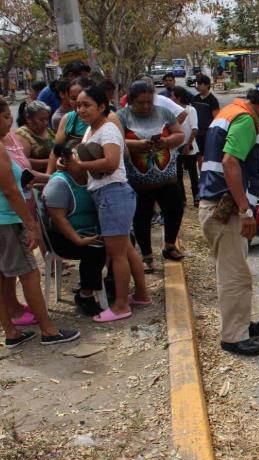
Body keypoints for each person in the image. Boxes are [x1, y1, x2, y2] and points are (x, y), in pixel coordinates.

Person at [198, 81, 259, 356]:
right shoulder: (246, 120)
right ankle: (233, 337)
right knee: (235, 276)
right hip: (224, 210)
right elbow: (230, 162)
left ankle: (237, 325)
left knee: (232, 272)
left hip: (215, 206)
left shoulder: (229, 112)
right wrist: (243, 210)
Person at [69, 84, 149, 322]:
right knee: (125, 248)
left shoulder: (108, 130)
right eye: (78, 105)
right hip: (106, 194)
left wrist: (80, 166)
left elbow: (112, 163)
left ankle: (121, 305)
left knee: (117, 255)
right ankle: (142, 295)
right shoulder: (90, 131)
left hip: (113, 193)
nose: (81, 110)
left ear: (102, 106)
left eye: (87, 105)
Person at [0, 109, 81, 346]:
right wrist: (31, 224)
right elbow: (11, 191)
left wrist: (51, 177)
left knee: (5, 277)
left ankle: (11, 332)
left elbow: (23, 178)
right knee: (30, 274)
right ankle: (48, 330)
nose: (10, 121)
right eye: (5, 116)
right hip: (7, 221)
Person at [117, 80, 186, 271]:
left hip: (168, 177)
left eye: (149, 102)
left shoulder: (164, 113)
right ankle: (146, 256)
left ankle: (170, 246)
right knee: (142, 217)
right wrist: (136, 145)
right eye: (140, 103)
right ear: (131, 101)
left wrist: (166, 141)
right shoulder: (121, 116)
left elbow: (180, 134)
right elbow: (114, 140)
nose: (146, 106)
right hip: (138, 181)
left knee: (175, 209)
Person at [42, 141, 107, 316]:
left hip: (88, 231)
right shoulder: (59, 184)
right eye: (79, 157)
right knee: (95, 250)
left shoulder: (90, 177)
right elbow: (58, 218)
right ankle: (85, 295)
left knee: (123, 242)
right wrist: (78, 240)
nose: (84, 161)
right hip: (62, 238)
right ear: (66, 161)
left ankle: (109, 284)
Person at [171, 86, 199, 207]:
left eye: (173, 96)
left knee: (193, 174)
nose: (171, 98)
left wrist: (188, 144)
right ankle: (182, 199)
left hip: (189, 146)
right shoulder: (172, 111)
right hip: (177, 147)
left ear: (179, 98)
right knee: (178, 175)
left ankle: (196, 197)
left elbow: (194, 129)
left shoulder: (190, 110)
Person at [15, 101, 55, 172]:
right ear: (29, 119)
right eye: (41, 119)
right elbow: (23, 162)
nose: (46, 123)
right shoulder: (22, 135)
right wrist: (51, 161)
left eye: (47, 119)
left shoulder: (48, 131)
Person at [193, 74, 220, 171]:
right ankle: (201, 173)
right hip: (197, 132)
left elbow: (216, 118)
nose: (198, 86)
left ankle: (208, 173)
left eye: (200, 84)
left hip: (208, 132)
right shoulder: (195, 99)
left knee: (208, 155)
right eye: (197, 83)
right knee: (198, 155)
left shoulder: (212, 100)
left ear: (207, 85)